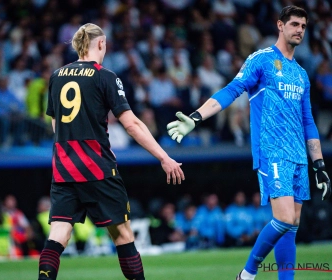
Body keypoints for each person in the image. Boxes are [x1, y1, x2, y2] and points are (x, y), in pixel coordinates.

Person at [166, 6, 331, 280]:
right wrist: (196, 117)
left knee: (293, 225)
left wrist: (319, 164)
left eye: (303, 25)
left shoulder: (301, 74)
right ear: (280, 25)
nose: (300, 30)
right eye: (294, 24)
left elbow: (308, 122)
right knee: (284, 219)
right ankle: (247, 273)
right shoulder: (262, 60)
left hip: (299, 156)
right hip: (272, 150)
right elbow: (232, 89)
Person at [38, 23, 184, 280]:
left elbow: (54, 124)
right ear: (101, 44)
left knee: (59, 233)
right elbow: (132, 124)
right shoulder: (105, 76)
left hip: (63, 167)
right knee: (123, 236)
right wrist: (164, 157)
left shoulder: (57, 75)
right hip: (97, 166)